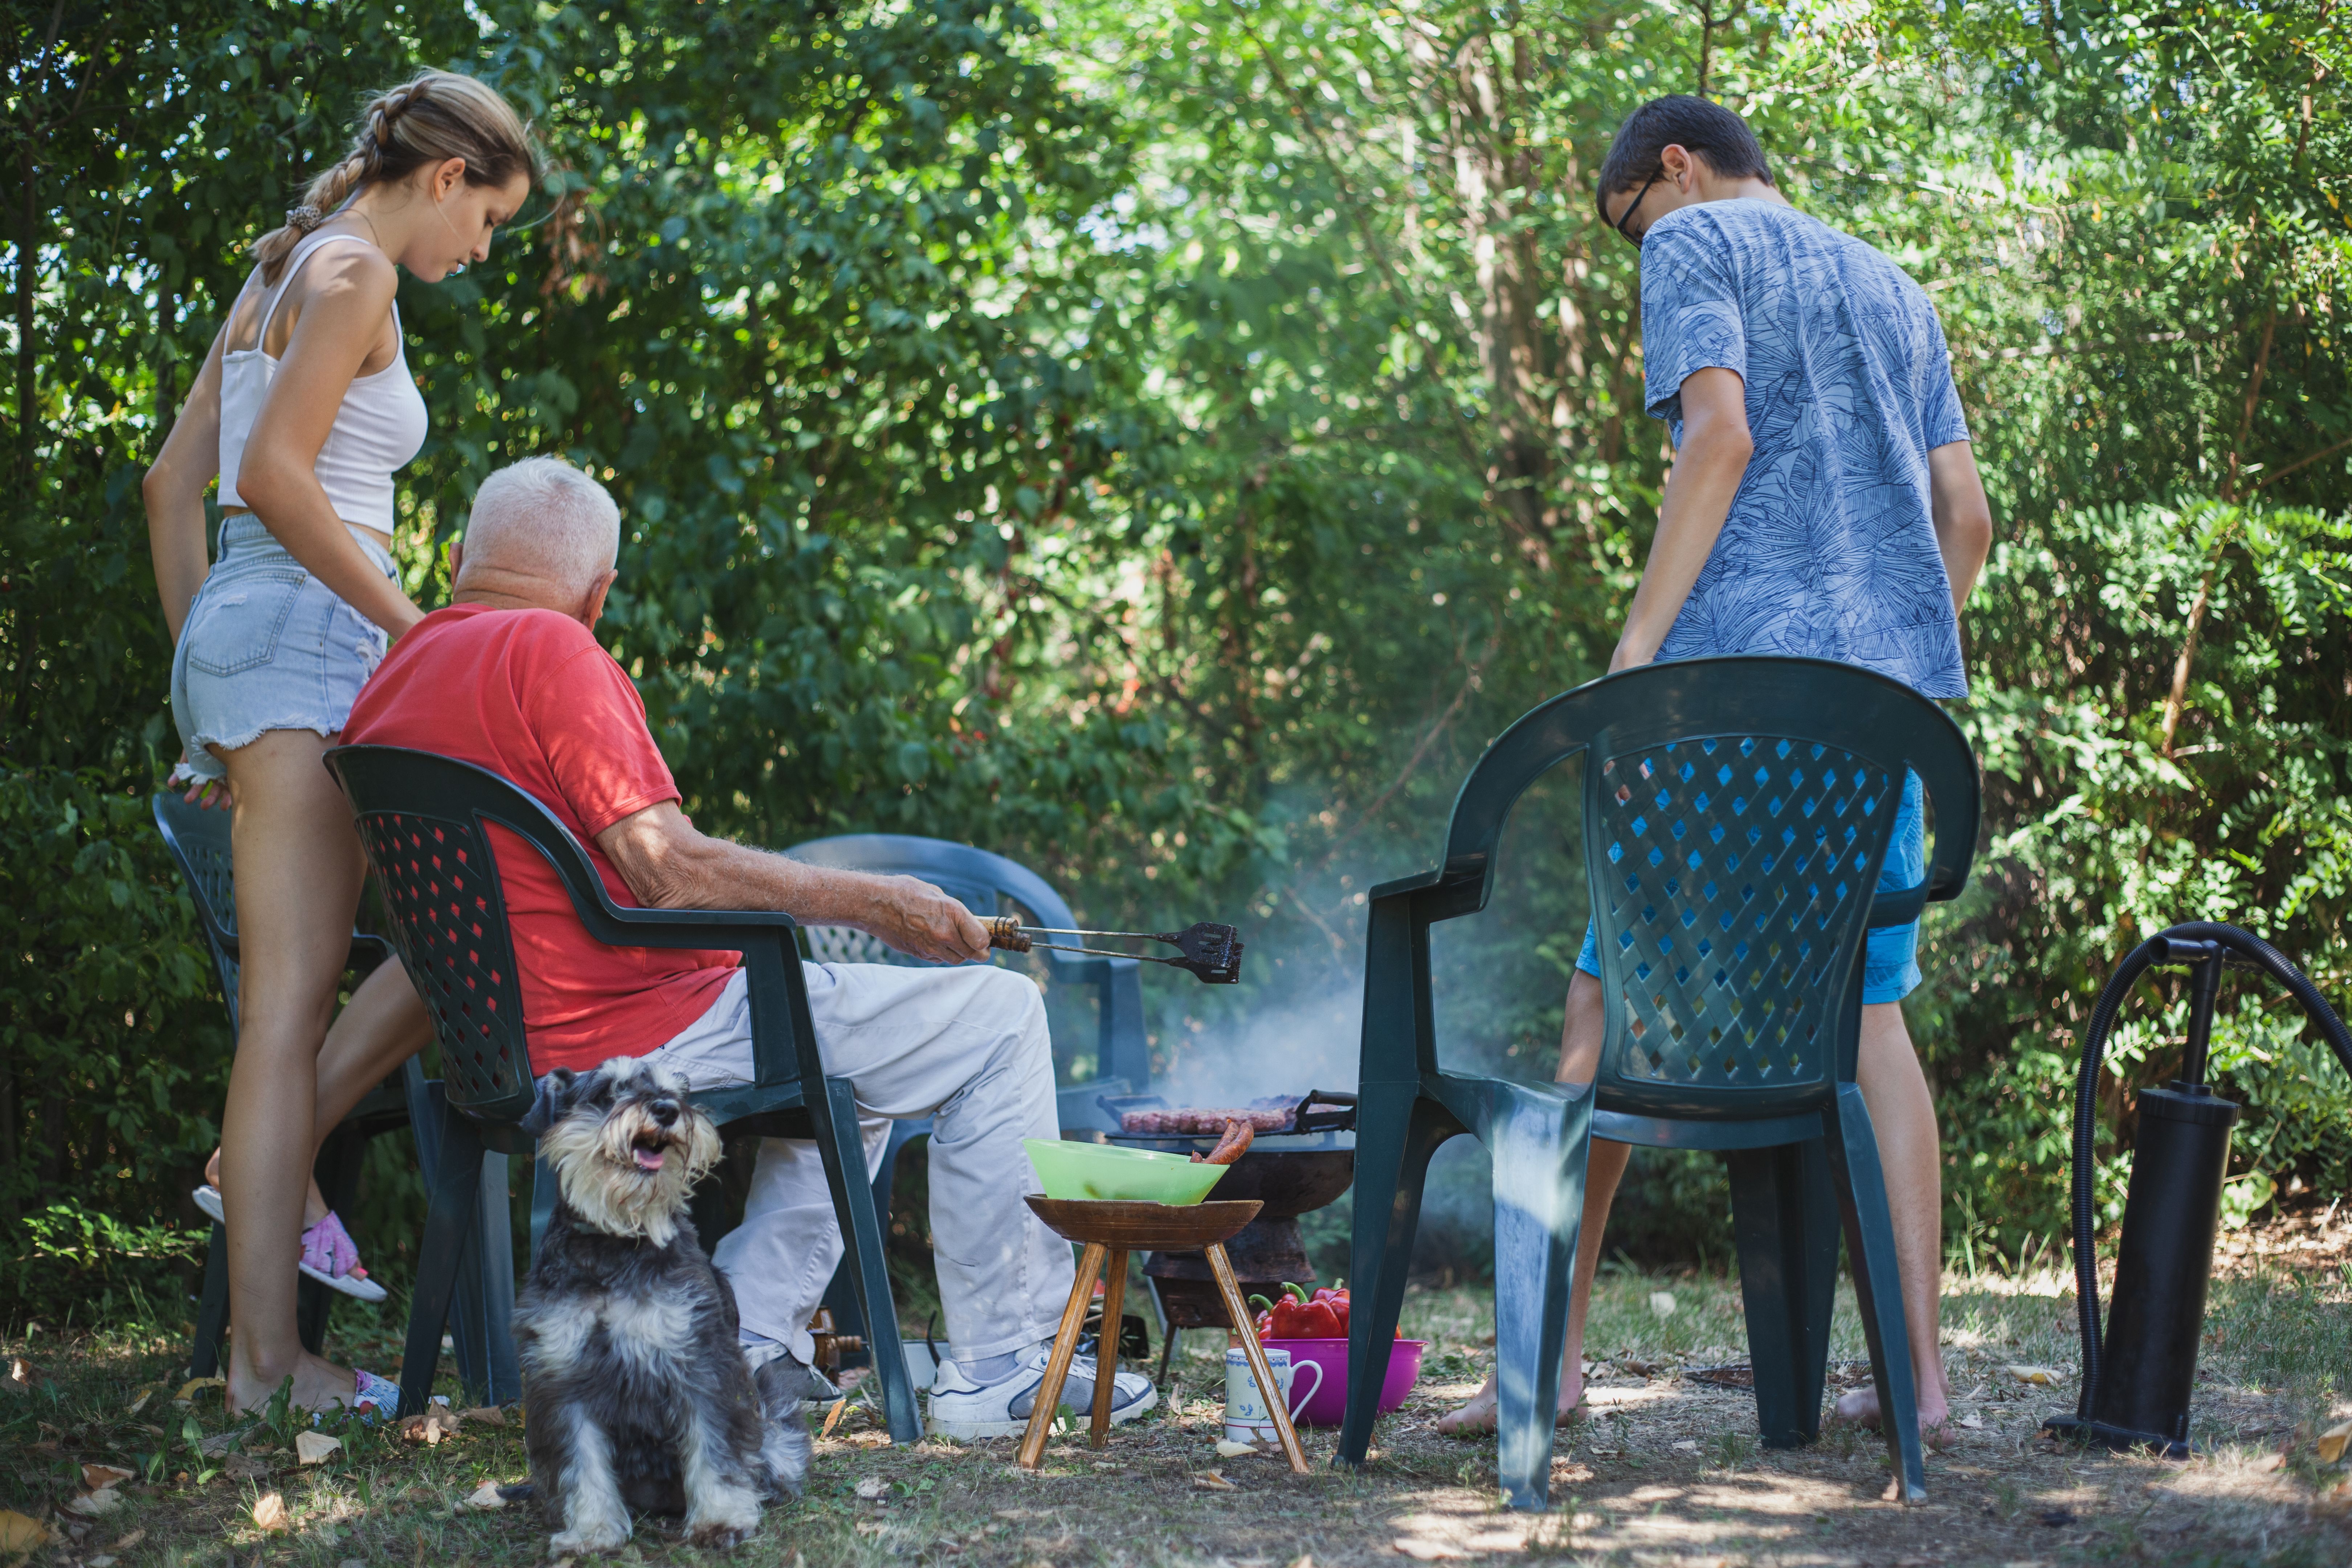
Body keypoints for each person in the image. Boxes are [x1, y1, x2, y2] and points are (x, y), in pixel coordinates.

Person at [339, 457, 1156, 1439]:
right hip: (640, 1036)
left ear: (462, 557)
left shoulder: (392, 678)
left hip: (504, 1052)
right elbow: (667, 871)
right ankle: (1002, 1369)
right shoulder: (554, 653)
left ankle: (744, 1341)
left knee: (861, 1072)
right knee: (1001, 1016)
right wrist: (876, 902)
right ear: (598, 597)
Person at [1438, 95, 1994, 1447]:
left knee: (1600, 1006)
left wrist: (1637, 664)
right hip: (1877, 736)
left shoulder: (1695, 247)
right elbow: (1965, 520)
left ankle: (1550, 1370)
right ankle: (1921, 1390)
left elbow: (1722, 438)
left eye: (1632, 216)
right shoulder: (1894, 283)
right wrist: (1885, 671)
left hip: (1725, 728)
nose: (1639, 245)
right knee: (1872, 1032)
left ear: (1673, 170)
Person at [141, 70, 539, 1415]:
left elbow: (168, 492)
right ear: (446, 177)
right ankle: (272, 1368)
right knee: (307, 1002)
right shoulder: (356, 268)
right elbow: (269, 478)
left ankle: (260, 1192)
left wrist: (209, 680)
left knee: (431, 937)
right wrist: (418, 627)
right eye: (488, 220)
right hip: (312, 640)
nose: (480, 252)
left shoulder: (280, 271)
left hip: (253, 639)